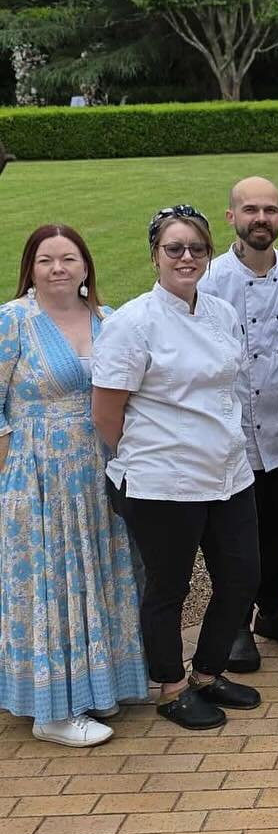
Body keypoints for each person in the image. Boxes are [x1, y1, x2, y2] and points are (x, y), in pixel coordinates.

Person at [92, 206, 261, 731]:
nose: (187, 257)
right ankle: (171, 686)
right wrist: (145, 456)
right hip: (162, 479)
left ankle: (209, 672)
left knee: (239, 576)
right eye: (174, 248)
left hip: (228, 472)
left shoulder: (219, 312)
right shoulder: (132, 323)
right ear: (155, 255)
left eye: (197, 248)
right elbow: (106, 412)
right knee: (170, 586)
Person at [0, 226, 147, 747]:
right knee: (54, 581)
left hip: (102, 467)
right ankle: (52, 711)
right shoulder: (13, 320)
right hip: (39, 475)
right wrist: (12, 475)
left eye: (68, 258)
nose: (58, 268)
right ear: (31, 267)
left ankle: (104, 684)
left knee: (101, 571)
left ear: (86, 266)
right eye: (46, 260)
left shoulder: (110, 320)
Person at [202, 178, 278, 673]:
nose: (261, 219)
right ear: (231, 217)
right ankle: (233, 622)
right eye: (250, 210)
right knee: (233, 536)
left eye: (270, 210)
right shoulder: (207, 280)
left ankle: (271, 610)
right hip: (227, 433)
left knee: (277, 528)